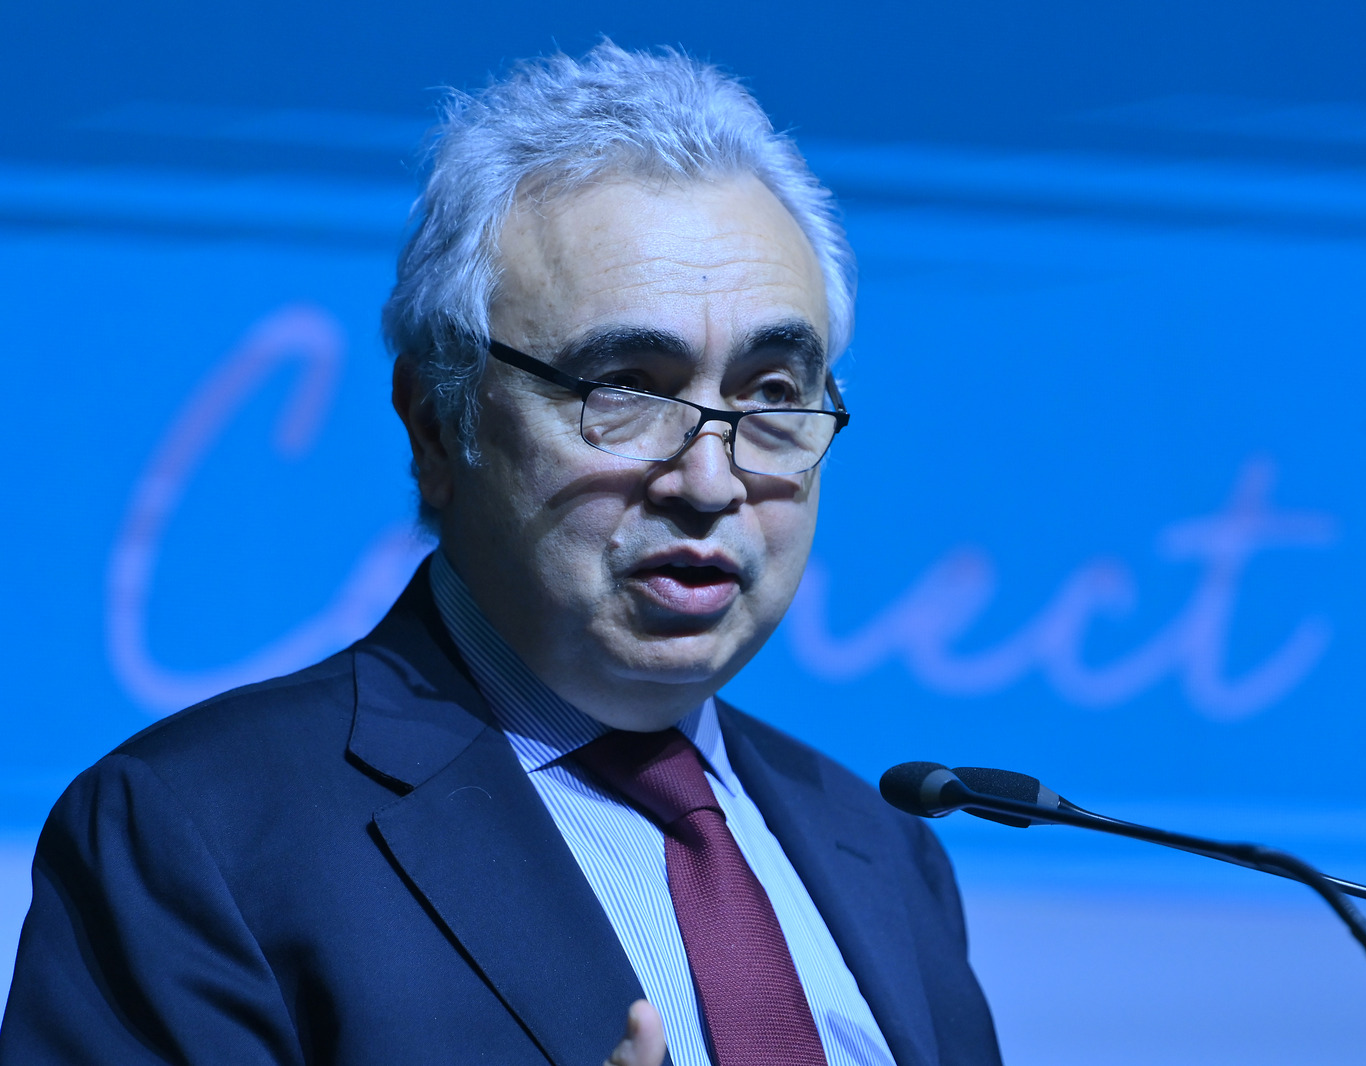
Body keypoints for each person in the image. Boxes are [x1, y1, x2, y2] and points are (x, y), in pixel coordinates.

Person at [0, 43, 1002, 1066]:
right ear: (438, 426)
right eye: (626, 390)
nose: (709, 481)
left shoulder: (882, 850)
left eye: (774, 394)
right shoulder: (195, 832)